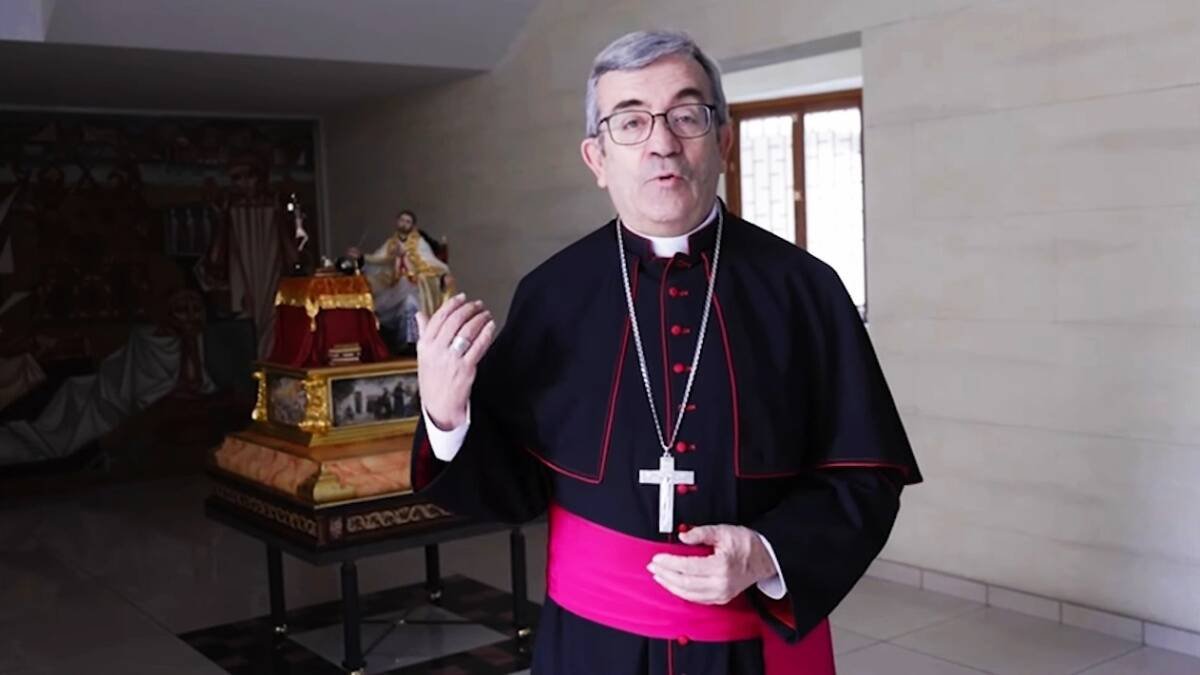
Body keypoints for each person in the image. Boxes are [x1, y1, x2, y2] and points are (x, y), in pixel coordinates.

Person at [411, 30, 922, 675]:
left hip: (750, 653)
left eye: (687, 115)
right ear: (596, 158)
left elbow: (867, 474)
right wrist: (447, 416)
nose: (661, 142)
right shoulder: (553, 293)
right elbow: (515, 488)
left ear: (723, 142)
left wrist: (769, 552)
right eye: (630, 121)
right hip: (593, 646)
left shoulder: (804, 289)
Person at [349, 210, 454, 353]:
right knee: (381, 300)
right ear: (397, 222)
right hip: (394, 286)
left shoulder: (419, 243)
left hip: (417, 286)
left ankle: (413, 342)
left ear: (413, 225)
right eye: (402, 220)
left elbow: (432, 264)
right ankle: (399, 343)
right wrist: (361, 257)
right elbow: (378, 261)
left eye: (408, 221)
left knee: (410, 302)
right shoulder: (391, 243)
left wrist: (442, 276)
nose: (404, 224)